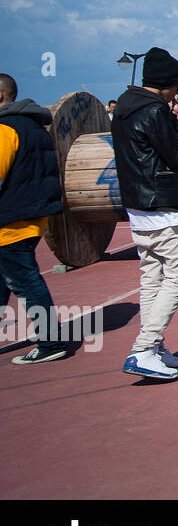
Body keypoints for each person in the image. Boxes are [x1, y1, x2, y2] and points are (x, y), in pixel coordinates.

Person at [111, 47, 178, 380]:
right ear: (168, 84)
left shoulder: (124, 109)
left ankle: (154, 346)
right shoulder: (155, 112)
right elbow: (175, 156)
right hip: (163, 207)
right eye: (176, 86)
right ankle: (144, 348)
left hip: (137, 206)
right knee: (176, 278)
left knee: (151, 278)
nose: (177, 93)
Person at [0, 74, 69, 364]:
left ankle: (51, 341)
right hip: (32, 215)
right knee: (6, 281)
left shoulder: (5, 129)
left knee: (26, 281)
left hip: (11, 218)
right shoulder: (34, 126)